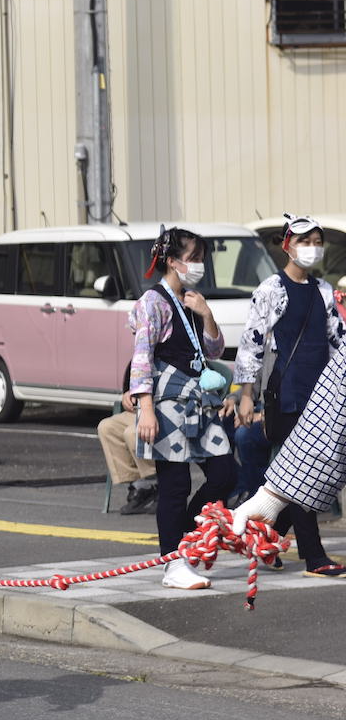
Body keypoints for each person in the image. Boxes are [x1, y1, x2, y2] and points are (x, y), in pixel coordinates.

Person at [231, 214, 346, 576]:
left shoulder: (323, 290)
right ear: (287, 246)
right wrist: (246, 394)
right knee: (301, 474)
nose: (312, 249)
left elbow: (338, 340)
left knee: (303, 474)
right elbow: (251, 344)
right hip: (288, 393)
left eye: (317, 242)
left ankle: (264, 541)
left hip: (322, 394)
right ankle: (314, 557)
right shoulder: (271, 290)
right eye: (304, 241)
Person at [127, 227, 237, 590]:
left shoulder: (191, 300)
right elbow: (141, 356)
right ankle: (173, 563)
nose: (200, 265)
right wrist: (145, 407)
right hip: (167, 403)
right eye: (194, 258)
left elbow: (215, 351)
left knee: (225, 474)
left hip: (199, 403)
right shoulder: (153, 302)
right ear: (172, 262)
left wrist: (206, 314)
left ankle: (186, 536)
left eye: (202, 259)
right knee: (174, 484)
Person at [233, 344, 346, 555]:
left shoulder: (328, 314)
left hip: (308, 401)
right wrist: (271, 497)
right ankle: (309, 552)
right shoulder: (271, 320)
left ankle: (308, 551)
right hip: (286, 406)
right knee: (247, 442)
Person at [97, 411, 158, 515]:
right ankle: (143, 486)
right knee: (106, 427)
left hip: (162, 409)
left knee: (133, 433)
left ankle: (163, 484)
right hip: (139, 410)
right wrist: (127, 395)